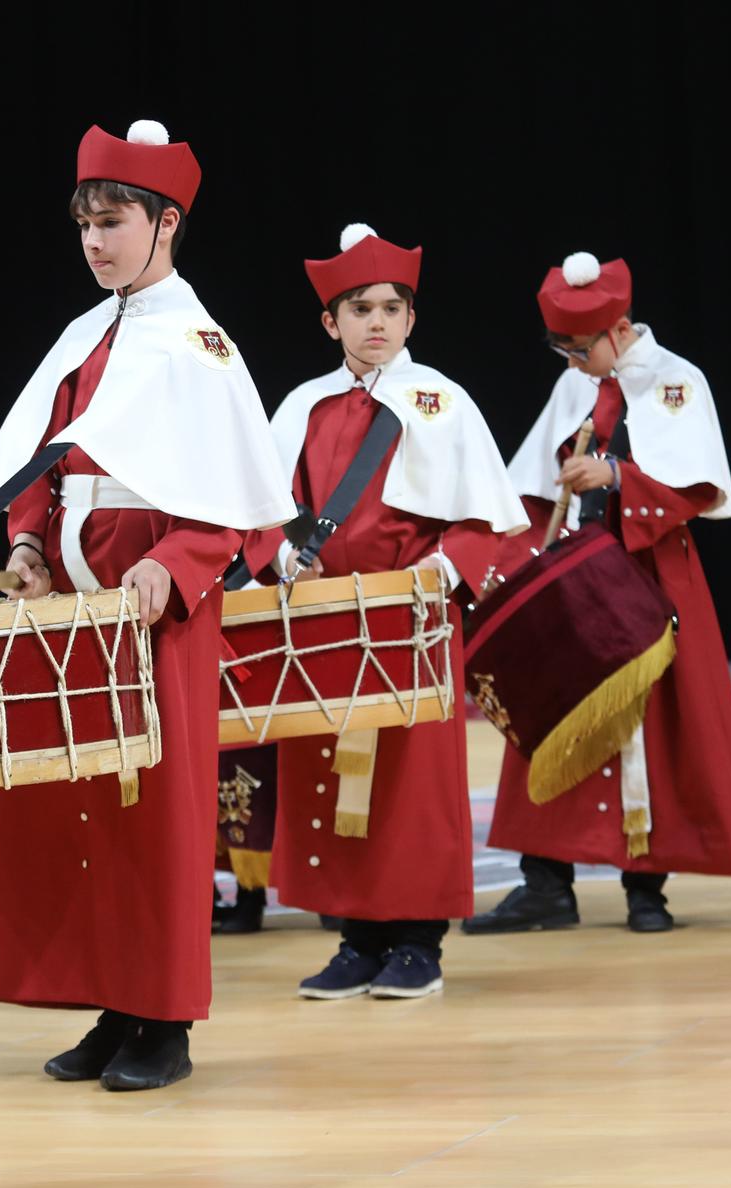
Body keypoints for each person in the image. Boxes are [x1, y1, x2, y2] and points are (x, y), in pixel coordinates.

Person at [0, 120, 294, 1091]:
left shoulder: (198, 345)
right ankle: (108, 1004)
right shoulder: (83, 337)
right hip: (71, 612)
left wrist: (177, 561)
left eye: (112, 223)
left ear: (165, 222)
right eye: (84, 227)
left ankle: (164, 1019)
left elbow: (231, 496)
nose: (94, 243)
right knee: (71, 808)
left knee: (150, 816)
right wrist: (27, 539)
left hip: (154, 618)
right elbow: (45, 456)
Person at [250, 224, 526, 1000]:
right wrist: (281, 554)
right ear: (329, 322)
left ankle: (418, 941)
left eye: (391, 307)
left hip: (415, 616)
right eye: (359, 308)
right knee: (326, 773)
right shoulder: (302, 406)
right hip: (328, 616)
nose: (376, 322)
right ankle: (356, 938)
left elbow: (491, 522)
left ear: (411, 319)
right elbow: (266, 508)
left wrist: (441, 572)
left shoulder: (444, 402)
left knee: (413, 783)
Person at [466, 252, 731, 936]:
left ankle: (645, 886)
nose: (572, 363)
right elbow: (531, 483)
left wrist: (614, 475)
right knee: (549, 707)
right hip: (575, 574)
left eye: (579, 349)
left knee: (655, 724)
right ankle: (545, 881)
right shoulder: (577, 385)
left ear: (621, 329)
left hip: (647, 571)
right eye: (562, 349)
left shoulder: (674, 383)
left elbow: (696, 488)